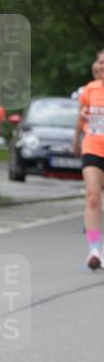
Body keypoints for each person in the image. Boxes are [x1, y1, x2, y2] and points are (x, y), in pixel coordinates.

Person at [73, 49, 104, 270]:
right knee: (92, 196)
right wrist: (75, 141)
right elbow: (81, 117)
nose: (102, 66)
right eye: (101, 62)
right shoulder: (89, 90)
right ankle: (94, 250)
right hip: (92, 147)